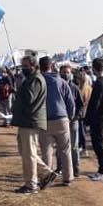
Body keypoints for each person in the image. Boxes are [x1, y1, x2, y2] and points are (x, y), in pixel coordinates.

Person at [11, 55, 49, 194]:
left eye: (26, 66)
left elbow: (29, 98)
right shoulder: (31, 79)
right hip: (26, 120)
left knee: (29, 154)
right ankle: (46, 173)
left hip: (30, 121)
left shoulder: (35, 80)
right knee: (25, 151)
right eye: (23, 66)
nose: (24, 69)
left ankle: (31, 184)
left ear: (34, 66)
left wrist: (21, 84)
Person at [39, 56, 76, 188]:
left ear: (40, 67)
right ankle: (68, 177)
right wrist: (69, 117)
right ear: (52, 66)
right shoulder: (62, 82)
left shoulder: (39, 82)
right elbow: (70, 103)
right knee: (65, 150)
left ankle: (46, 176)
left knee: (46, 151)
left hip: (44, 120)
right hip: (62, 119)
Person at [85, 58, 103, 183]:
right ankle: (102, 170)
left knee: (99, 145)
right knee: (99, 144)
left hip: (98, 119)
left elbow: (94, 104)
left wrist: (87, 120)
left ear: (94, 68)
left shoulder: (99, 83)